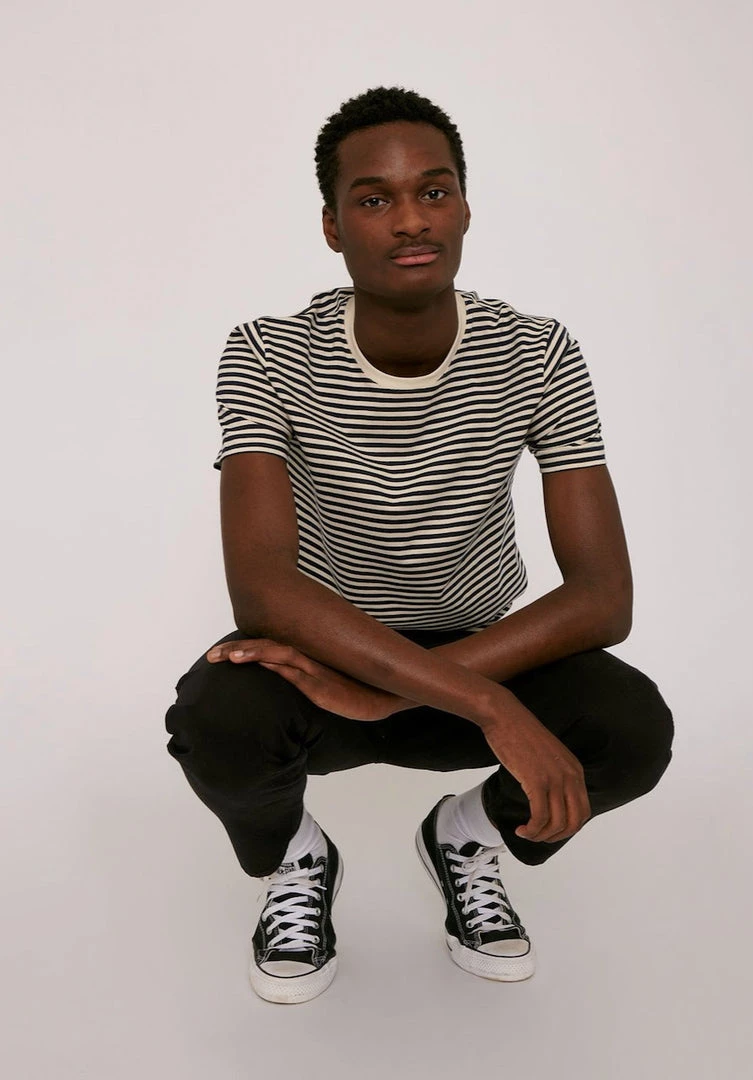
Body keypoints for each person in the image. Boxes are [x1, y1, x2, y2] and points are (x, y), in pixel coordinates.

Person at [164, 85, 675, 1005]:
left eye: (434, 191)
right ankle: (295, 856)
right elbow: (264, 592)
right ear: (332, 226)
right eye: (375, 199)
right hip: (330, 661)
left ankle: (466, 837)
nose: (410, 219)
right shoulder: (267, 352)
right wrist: (483, 705)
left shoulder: (539, 352)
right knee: (217, 717)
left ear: (466, 208)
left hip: (477, 648)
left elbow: (605, 597)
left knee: (632, 729)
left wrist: (409, 695)